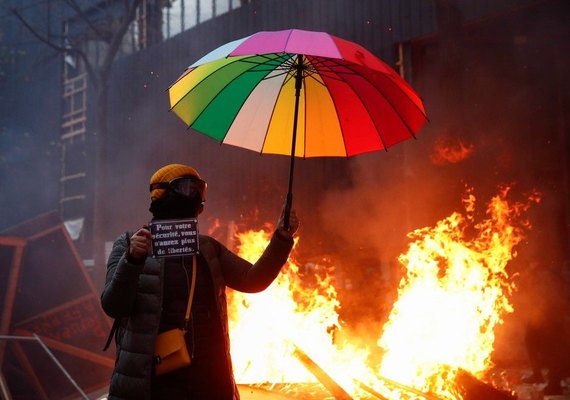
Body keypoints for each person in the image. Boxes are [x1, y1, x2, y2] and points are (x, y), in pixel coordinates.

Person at [101, 163, 299, 400]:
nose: (195, 196)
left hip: (208, 382)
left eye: (200, 189)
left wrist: (282, 239)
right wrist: (132, 260)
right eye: (186, 187)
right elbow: (114, 305)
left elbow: (253, 280)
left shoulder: (207, 248)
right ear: (160, 193)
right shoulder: (128, 244)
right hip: (151, 384)